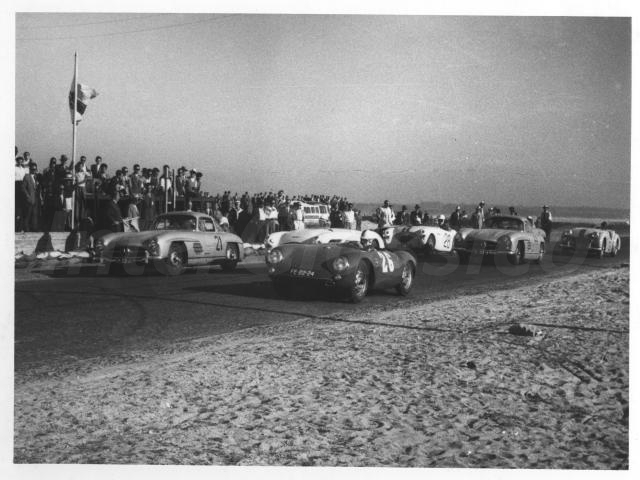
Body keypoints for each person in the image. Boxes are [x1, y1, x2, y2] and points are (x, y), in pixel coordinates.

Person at [21, 163, 40, 232]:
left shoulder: (36, 177)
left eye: (35, 169)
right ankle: (26, 229)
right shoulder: (27, 176)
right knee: (27, 215)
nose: (34, 170)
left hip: (36, 199)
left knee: (35, 215)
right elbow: (23, 188)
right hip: (29, 199)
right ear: (30, 169)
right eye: (32, 169)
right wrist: (27, 196)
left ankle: (34, 229)